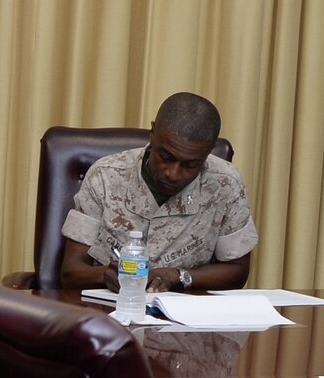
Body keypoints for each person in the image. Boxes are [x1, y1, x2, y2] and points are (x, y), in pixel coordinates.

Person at [60, 92, 258, 293]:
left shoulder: (226, 183)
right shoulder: (104, 176)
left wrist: (175, 276)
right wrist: (105, 275)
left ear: (207, 153)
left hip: (185, 315)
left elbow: (237, 271)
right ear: (152, 133)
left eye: (190, 165)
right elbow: (71, 272)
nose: (173, 173)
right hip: (109, 312)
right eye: (165, 156)